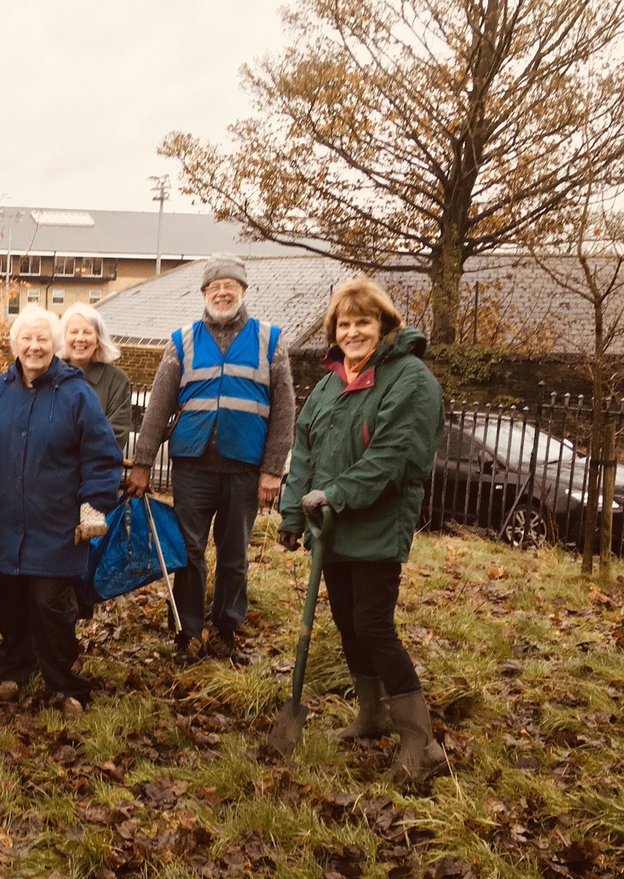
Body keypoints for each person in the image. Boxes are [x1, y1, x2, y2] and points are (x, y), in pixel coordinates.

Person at [278, 277, 446, 784]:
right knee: (349, 625)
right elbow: (305, 446)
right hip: (330, 527)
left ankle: (422, 741)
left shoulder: (410, 380)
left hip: (375, 524)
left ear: (384, 325)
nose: (352, 332)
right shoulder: (332, 382)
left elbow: (394, 457)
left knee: (373, 625)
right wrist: (292, 512)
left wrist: (336, 495)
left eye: (363, 322)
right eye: (344, 323)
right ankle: (371, 716)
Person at [124, 253, 294, 665]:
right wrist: (143, 463)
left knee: (234, 553)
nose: (222, 292)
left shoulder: (270, 340)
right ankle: (189, 631)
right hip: (192, 467)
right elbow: (158, 405)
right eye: (214, 286)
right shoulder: (182, 340)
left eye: (230, 285)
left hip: (245, 468)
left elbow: (285, 410)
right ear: (203, 293)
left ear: (243, 291)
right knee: (189, 551)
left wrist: (273, 470)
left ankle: (226, 630)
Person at [0, 305, 122, 718]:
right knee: (9, 601)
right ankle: (13, 670)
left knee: (51, 606)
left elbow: (102, 455)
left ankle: (63, 683)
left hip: (56, 526)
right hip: (4, 521)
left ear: (55, 345)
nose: (34, 346)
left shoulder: (76, 393)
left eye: (43, 339)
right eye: (27, 339)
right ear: (15, 344)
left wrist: (94, 505)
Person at [61, 302, 132, 452]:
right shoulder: (49, 376)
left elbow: (115, 436)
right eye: (73, 332)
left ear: (98, 340)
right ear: (64, 338)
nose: (80, 338)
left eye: (87, 332)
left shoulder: (117, 381)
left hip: (95, 472)